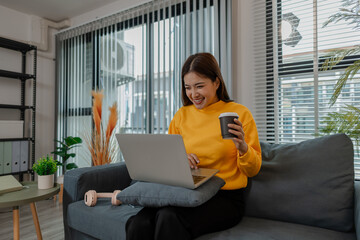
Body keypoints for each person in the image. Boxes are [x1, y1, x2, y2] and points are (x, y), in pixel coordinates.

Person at [126, 52, 262, 240]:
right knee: (138, 223)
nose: (193, 94)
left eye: (199, 86)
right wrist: (180, 159)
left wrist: (243, 148)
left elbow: (253, 170)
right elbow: (168, 158)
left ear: (216, 82)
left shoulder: (239, 114)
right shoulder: (182, 115)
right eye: (188, 87)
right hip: (184, 193)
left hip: (224, 198)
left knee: (169, 218)